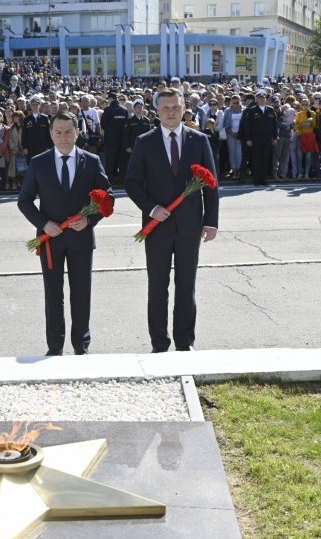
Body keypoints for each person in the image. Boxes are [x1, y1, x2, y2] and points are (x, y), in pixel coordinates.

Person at [123, 87, 219, 353]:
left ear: (183, 108)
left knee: (186, 287)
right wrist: (151, 208)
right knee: (158, 288)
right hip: (157, 227)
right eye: (165, 108)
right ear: (157, 111)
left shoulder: (199, 140)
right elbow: (131, 182)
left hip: (190, 227)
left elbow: (211, 184)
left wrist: (211, 222)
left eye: (176, 107)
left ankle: (185, 342)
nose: (171, 112)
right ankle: (159, 343)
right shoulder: (145, 141)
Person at [17, 110, 114, 356]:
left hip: (81, 238)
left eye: (68, 131)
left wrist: (90, 219)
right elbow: (25, 200)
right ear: (50, 134)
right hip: (51, 241)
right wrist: (43, 223)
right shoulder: (39, 162)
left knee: (81, 293)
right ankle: (55, 345)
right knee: (53, 294)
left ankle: (81, 344)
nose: (63, 137)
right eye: (58, 132)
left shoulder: (91, 161)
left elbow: (108, 197)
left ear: (77, 133)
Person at [243, 89, 278, 186]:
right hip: (256, 138)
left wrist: (275, 137)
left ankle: (263, 179)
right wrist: (248, 139)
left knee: (265, 159)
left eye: (263, 98)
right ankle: (256, 180)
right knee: (256, 159)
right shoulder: (251, 111)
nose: (262, 100)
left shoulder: (271, 110)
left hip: (267, 138)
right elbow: (247, 126)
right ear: (256, 100)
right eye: (260, 98)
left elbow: (275, 125)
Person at [100, 91, 129, 184]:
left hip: (111, 140)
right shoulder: (124, 109)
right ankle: (123, 180)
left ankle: (109, 181)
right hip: (122, 139)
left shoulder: (108, 109)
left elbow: (103, 124)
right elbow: (126, 124)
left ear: (110, 99)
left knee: (110, 161)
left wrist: (109, 131)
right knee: (122, 161)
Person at [22, 95, 53, 161]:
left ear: (40, 105)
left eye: (36, 104)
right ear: (30, 106)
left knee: (43, 167)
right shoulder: (27, 119)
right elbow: (24, 134)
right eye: (33, 105)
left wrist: (49, 147)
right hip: (30, 147)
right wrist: (24, 147)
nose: (35, 106)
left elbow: (48, 133)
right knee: (31, 167)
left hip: (42, 147)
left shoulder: (45, 118)